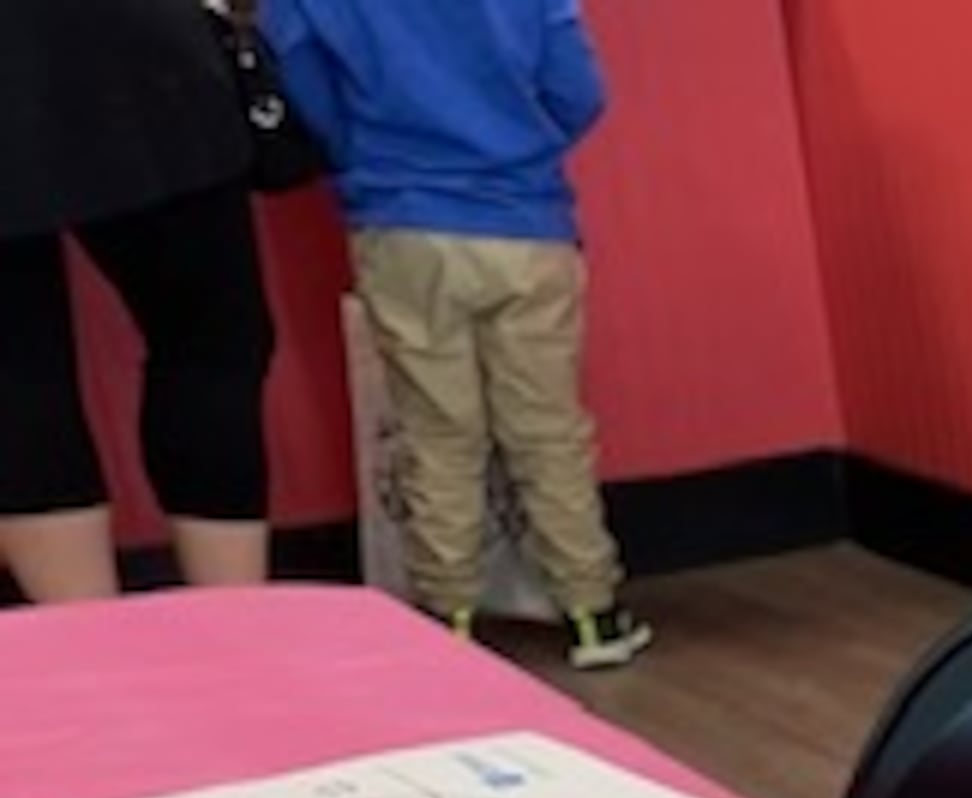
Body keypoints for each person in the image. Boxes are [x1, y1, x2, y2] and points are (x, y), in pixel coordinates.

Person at [258, 0, 650, 666]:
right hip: (526, 220)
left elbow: (304, 84)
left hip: (399, 220)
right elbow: (579, 90)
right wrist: (519, 146)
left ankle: (448, 616)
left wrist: (365, 158)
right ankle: (593, 613)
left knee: (436, 430)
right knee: (548, 427)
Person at [0, 0, 281, 605]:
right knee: (212, 337)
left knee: (18, 366)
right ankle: (238, 618)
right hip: (138, 50)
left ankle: (92, 644)